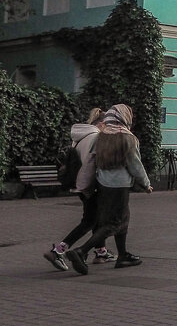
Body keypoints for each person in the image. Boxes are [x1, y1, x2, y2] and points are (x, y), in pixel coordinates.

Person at [65, 104, 152, 274]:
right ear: (124, 117)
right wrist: (146, 183)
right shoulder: (128, 138)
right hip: (120, 186)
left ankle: (123, 255)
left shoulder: (102, 136)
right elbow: (135, 164)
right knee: (114, 223)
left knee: (121, 220)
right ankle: (81, 251)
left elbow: (92, 160)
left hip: (102, 184)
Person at [45, 108, 114, 269]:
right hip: (91, 184)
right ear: (102, 124)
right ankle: (58, 250)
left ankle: (101, 252)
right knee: (89, 221)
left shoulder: (79, 137)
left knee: (96, 218)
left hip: (79, 183)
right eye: (108, 127)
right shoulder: (96, 137)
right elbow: (94, 162)